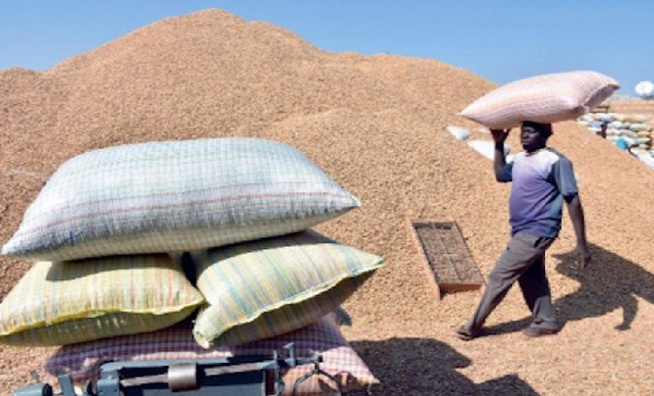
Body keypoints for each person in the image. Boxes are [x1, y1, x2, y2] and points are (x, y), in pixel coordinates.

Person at [457, 121, 591, 340]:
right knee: (531, 276)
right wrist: (499, 144)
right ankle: (546, 321)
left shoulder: (556, 161)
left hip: (540, 228)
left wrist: (581, 243)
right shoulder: (520, 159)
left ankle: (472, 326)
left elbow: (573, 199)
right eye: (523, 132)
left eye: (531, 132)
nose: (524, 136)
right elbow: (501, 175)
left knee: (500, 274)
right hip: (521, 229)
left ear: (546, 135)